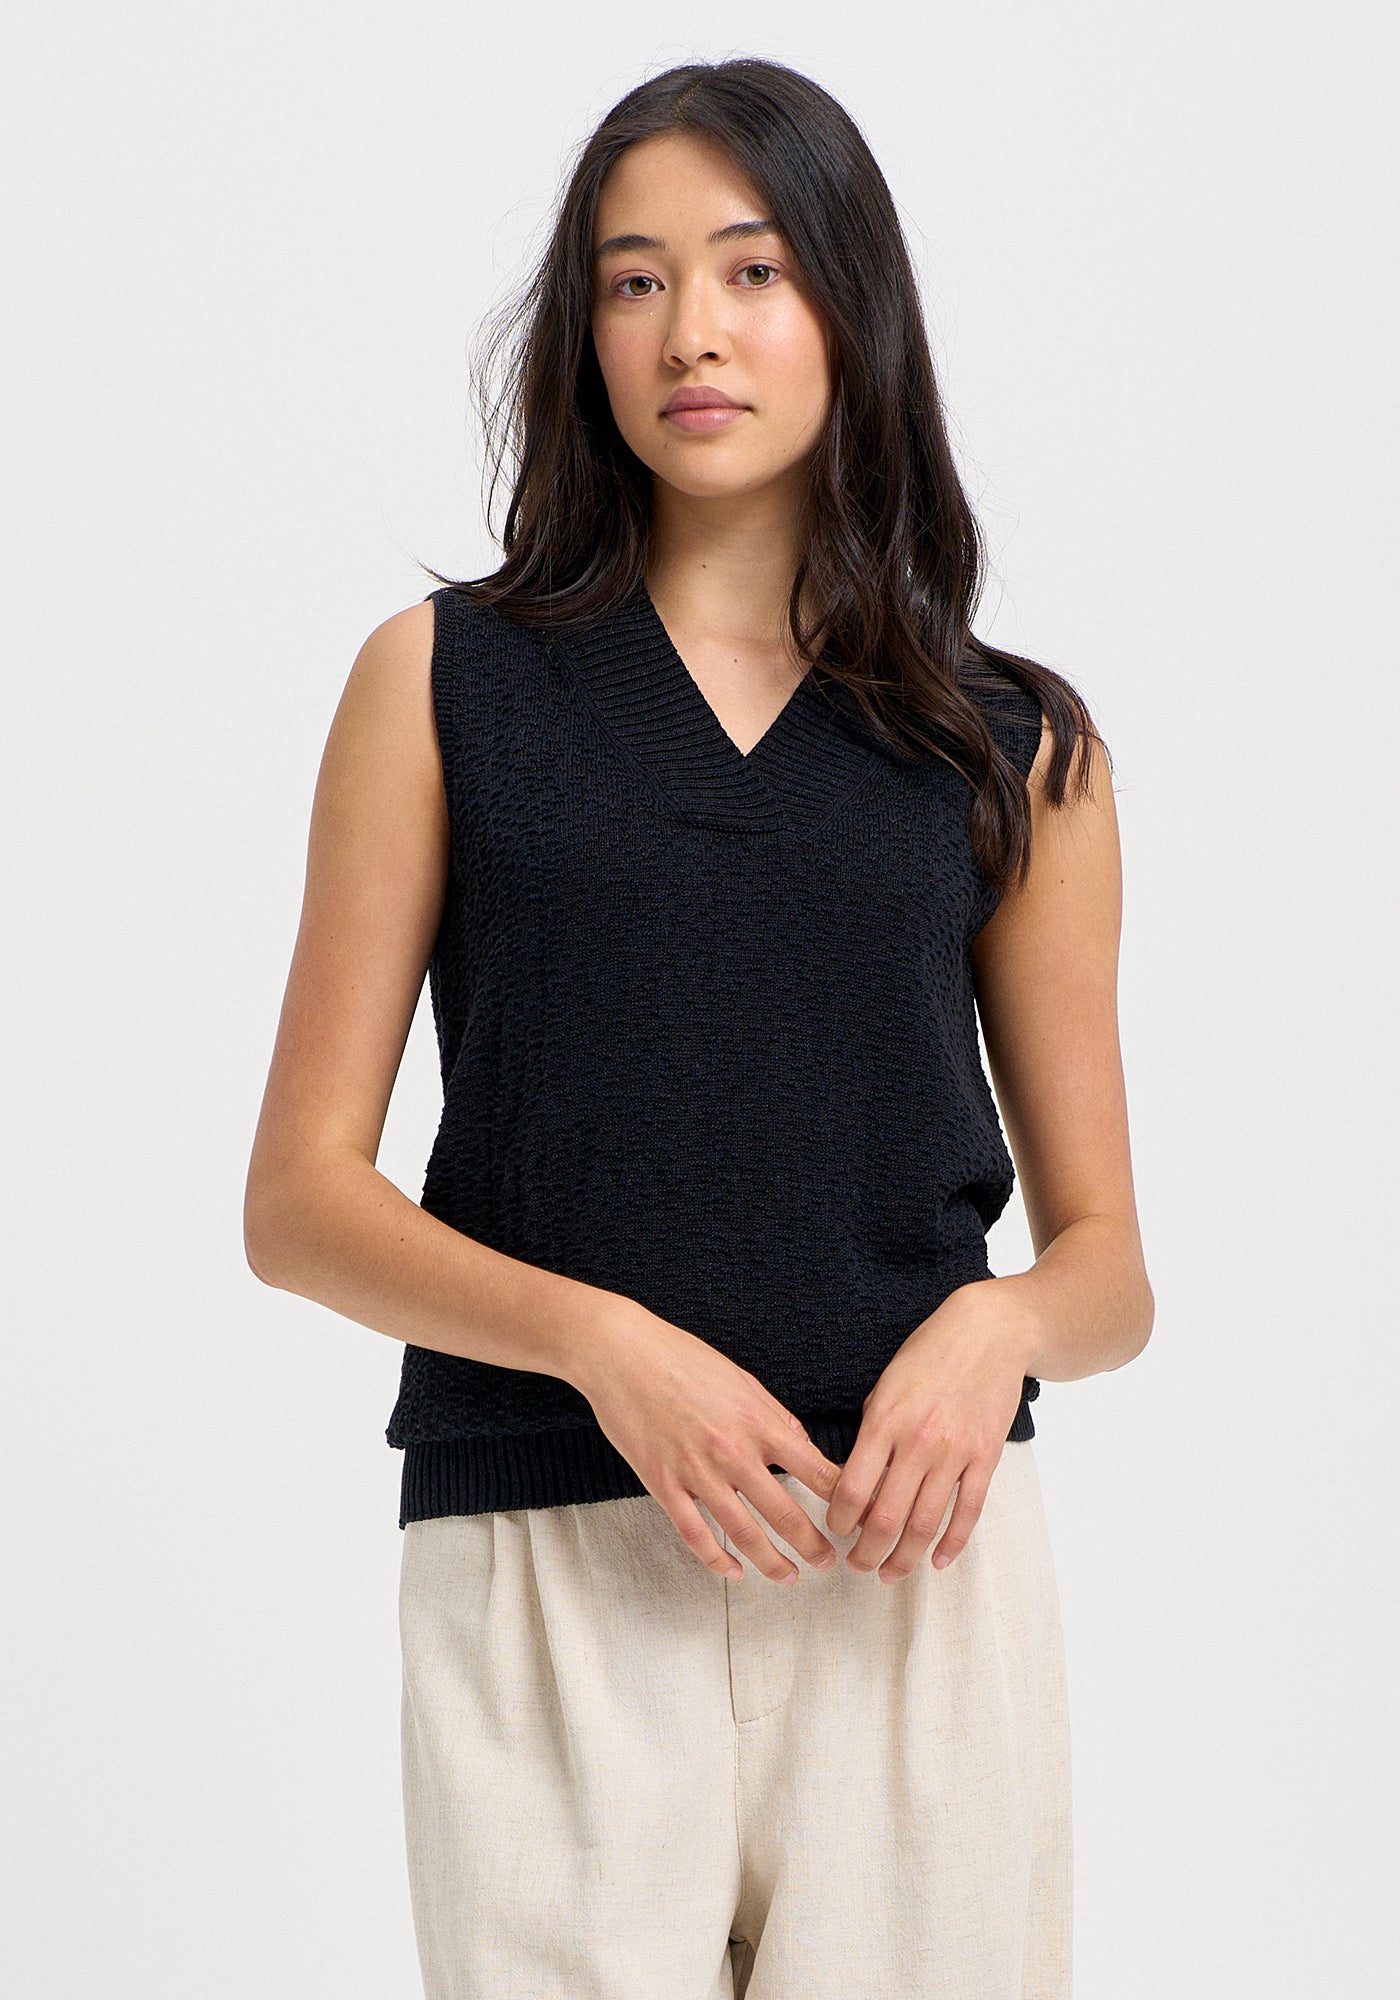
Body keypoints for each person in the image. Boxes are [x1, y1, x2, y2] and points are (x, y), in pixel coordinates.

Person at [244, 55, 1152, 2000]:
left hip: (911, 1573)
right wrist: (602, 1344)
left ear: (849, 303)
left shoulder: (1013, 746)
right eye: (633, 281)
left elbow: (1108, 1268)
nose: (691, 333)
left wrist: (996, 1326)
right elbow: (298, 1201)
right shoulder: (443, 685)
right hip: (548, 1568)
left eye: (751, 270)